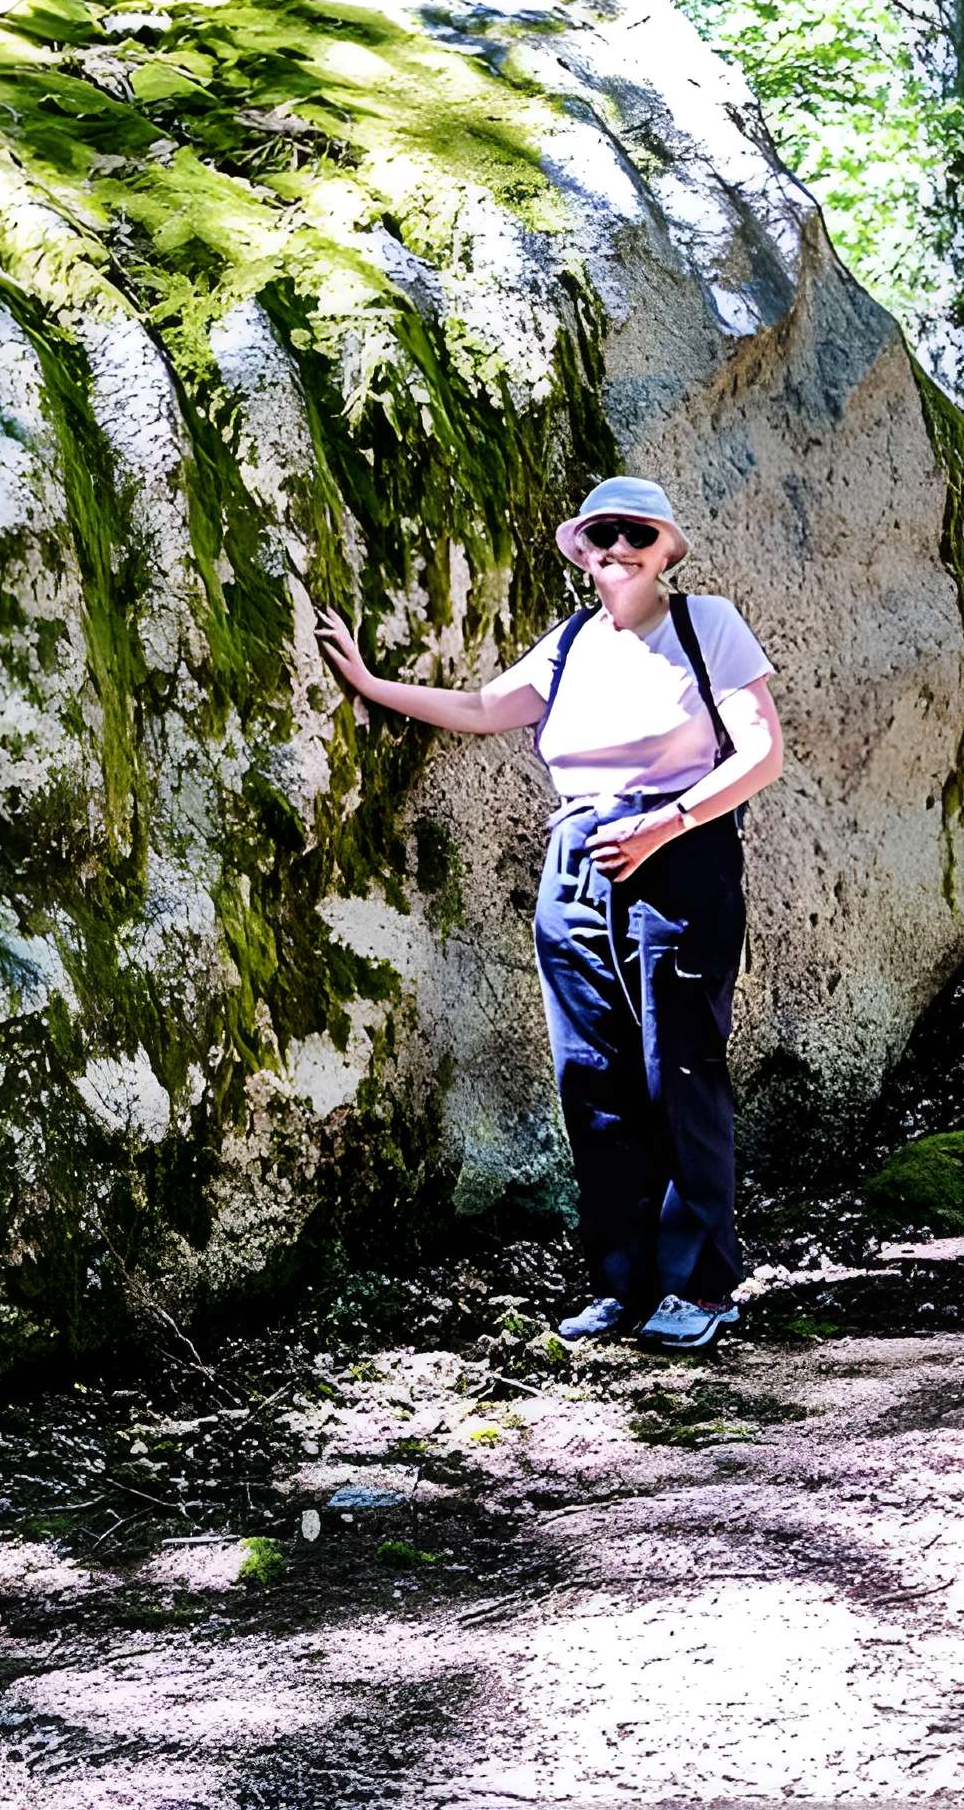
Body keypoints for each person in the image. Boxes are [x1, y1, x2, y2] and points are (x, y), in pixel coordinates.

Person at [312, 477, 788, 1350]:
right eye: (602, 533)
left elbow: (761, 751)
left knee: (676, 1072)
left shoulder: (705, 625)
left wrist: (666, 824)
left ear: (666, 546)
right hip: (575, 866)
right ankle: (622, 1285)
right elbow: (487, 709)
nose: (619, 546)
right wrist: (370, 683)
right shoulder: (570, 641)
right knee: (593, 1082)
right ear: (582, 549)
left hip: (680, 856)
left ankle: (699, 1286)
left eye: (637, 532)